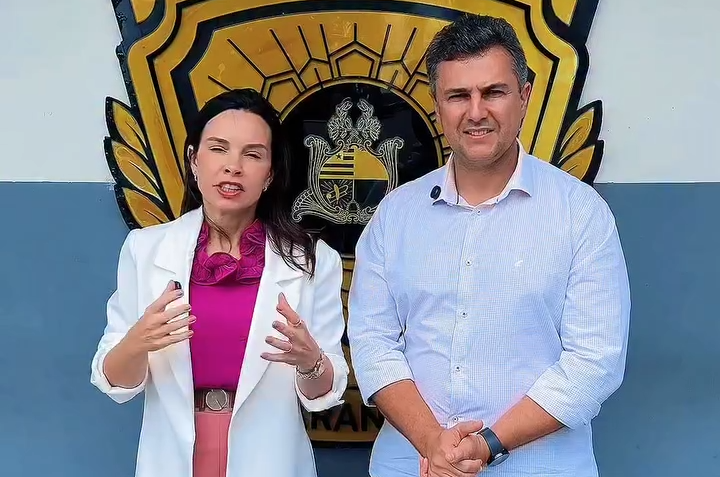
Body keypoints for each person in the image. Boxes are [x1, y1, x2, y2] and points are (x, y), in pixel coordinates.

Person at [347, 14, 630, 477]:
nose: (475, 112)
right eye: (458, 95)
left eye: (493, 92)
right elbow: (373, 343)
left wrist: (488, 444)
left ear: (525, 96)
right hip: (412, 465)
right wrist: (431, 442)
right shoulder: (395, 216)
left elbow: (594, 361)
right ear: (438, 105)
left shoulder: (580, 213)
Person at [90, 88, 349, 477]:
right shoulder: (145, 249)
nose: (233, 167)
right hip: (173, 459)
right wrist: (138, 341)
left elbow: (323, 396)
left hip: (270, 460)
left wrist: (310, 361)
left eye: (252, 154)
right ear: (194, 160)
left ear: (270, 173)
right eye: (218, 149)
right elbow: (114, 382)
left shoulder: (313, 260)